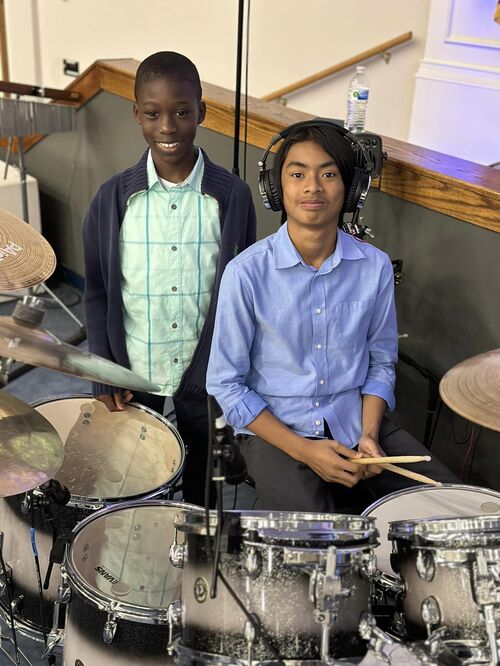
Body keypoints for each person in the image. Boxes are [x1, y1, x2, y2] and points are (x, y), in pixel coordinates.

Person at [206, 120, 459, 512]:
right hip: (278, 433)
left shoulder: (374, 266)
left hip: (356, 422)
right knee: (318, 537)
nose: (313, 187)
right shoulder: (246, 273)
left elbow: (380, 363)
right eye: (297, 174)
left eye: (328, 174)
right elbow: (226, 384)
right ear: (276, 188)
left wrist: (369, 435)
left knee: (451, 506)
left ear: (351, 189)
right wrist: (305, 451)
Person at [83, 52, 256, 506]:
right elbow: (97, 292)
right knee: (133, 482)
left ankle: (197, 544)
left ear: (201, 112)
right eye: (152, 113)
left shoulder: (232, 197)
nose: (167, 126)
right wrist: (104, 374)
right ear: (136, 114)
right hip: (134, 373)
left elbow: (242, 294)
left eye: (181, 112)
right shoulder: (112, 199)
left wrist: (230, 373)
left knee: (205, 491)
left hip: (208, 373)